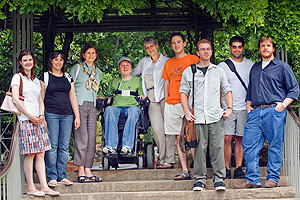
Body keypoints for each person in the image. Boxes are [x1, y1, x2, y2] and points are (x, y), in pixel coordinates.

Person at [235, 36, 299, 189]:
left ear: (273, 48)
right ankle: (253, 179)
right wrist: (248, 106)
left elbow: (294, 89)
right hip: (255, 112)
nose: (265, 48)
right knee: (249, 144)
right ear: (259, 49)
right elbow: (250, 89)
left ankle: (272, 178)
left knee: (275, 145)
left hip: (273, 111)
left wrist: (283, 105)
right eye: (263, 45)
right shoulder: (255, 67)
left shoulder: (282, 67)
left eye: (268, 45)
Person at [180, 39, 233, 191]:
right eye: (202, 49)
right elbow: (183, 92)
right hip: (197, 117)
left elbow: (226, 90)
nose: (205, 52)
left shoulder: (218, 71)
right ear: (197, 52)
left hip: (215, 116)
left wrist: (229, 108)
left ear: (211, 51)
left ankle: (219, 179)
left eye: (208, 49)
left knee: (217, 148)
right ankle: (199, 179)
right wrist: (187, 111)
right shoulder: (189, 71)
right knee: (199, 149)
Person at [11, 49, 60, 197]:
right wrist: (30, 116)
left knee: (41, 153)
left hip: (38, 120)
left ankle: (44, 186)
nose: (28, 62)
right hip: (26, 119)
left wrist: (40, 116)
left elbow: (40, 101)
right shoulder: (17, 78)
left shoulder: (37, 81)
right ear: (20, 62)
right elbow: (15, 100)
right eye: (25, 60)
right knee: (30, 154)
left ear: (33, 61)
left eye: (30, 60)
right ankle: (31, 187)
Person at [39, 50, 80, 187]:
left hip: (67, 115)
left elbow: (73, 97)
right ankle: (52, 176)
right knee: (52, 146)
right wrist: (42, 116)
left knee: (63, 147)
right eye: (55, 59)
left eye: (61, 60)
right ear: (51, 61)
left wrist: (77, 116)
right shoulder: (44, 77)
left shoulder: (68, 77)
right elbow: (41, 98)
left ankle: (62, 175)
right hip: (51, 114)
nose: (58, 62)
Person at [162, 32, 199, 177]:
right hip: (172, 103)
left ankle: (198, 168)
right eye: (173, 43)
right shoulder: (169, 63)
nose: (176, 45)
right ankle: (185, 169)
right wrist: (166, 100)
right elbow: (166, 83)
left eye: (179, 42)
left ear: (184, 43)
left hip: (189, 103)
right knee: (179, 138)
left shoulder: (193, 59)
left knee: (192, 136)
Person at [218, 36, 254, 179]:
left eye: (239, 46)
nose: (237, 49)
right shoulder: (222, 66)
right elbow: (219, 87)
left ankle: (238, 167)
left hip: (244, 107)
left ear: (243, 48)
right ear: (230, 47)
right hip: (228, 107)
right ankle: (226, 168)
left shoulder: (250, 64)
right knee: (227, 138)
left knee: (240, 138)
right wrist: (220, 106)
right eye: (234, 46)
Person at [131, 37, 169, 168]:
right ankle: (163, 159)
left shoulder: (166, 61)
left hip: (166, 95)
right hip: (150, 97)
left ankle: (172, 159)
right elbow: (132, 75)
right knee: (157, 129)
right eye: (146, 47)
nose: (149, 49)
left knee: (169, 128)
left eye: (151, 46)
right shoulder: (144, 62)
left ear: (157, 45)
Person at [69, 44, 102, 183]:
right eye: (88, 53)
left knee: (92, 140)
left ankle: (88, 169)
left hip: (92, 106)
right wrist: (75, 112)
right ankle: (81, 170)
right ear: (83, 54)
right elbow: (70, 89)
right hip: (80, 106)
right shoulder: (76, 68)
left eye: (93, 53)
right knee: (82, 139)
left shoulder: (98, 71)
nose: (91, 55)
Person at [103, 57, 145, 154]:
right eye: (122, 65)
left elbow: (142, 94)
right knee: (109, 110)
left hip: (132, 106)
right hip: (117, 107)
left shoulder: (138, 80)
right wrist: (103, 99)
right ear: (119, 68)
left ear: (131, 67)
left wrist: (142, 97)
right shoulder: (114, 81)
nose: (125, 67)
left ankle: (127, 146)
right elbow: (108, 97)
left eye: (127, 65)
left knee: (134, 111)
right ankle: (110, 146)